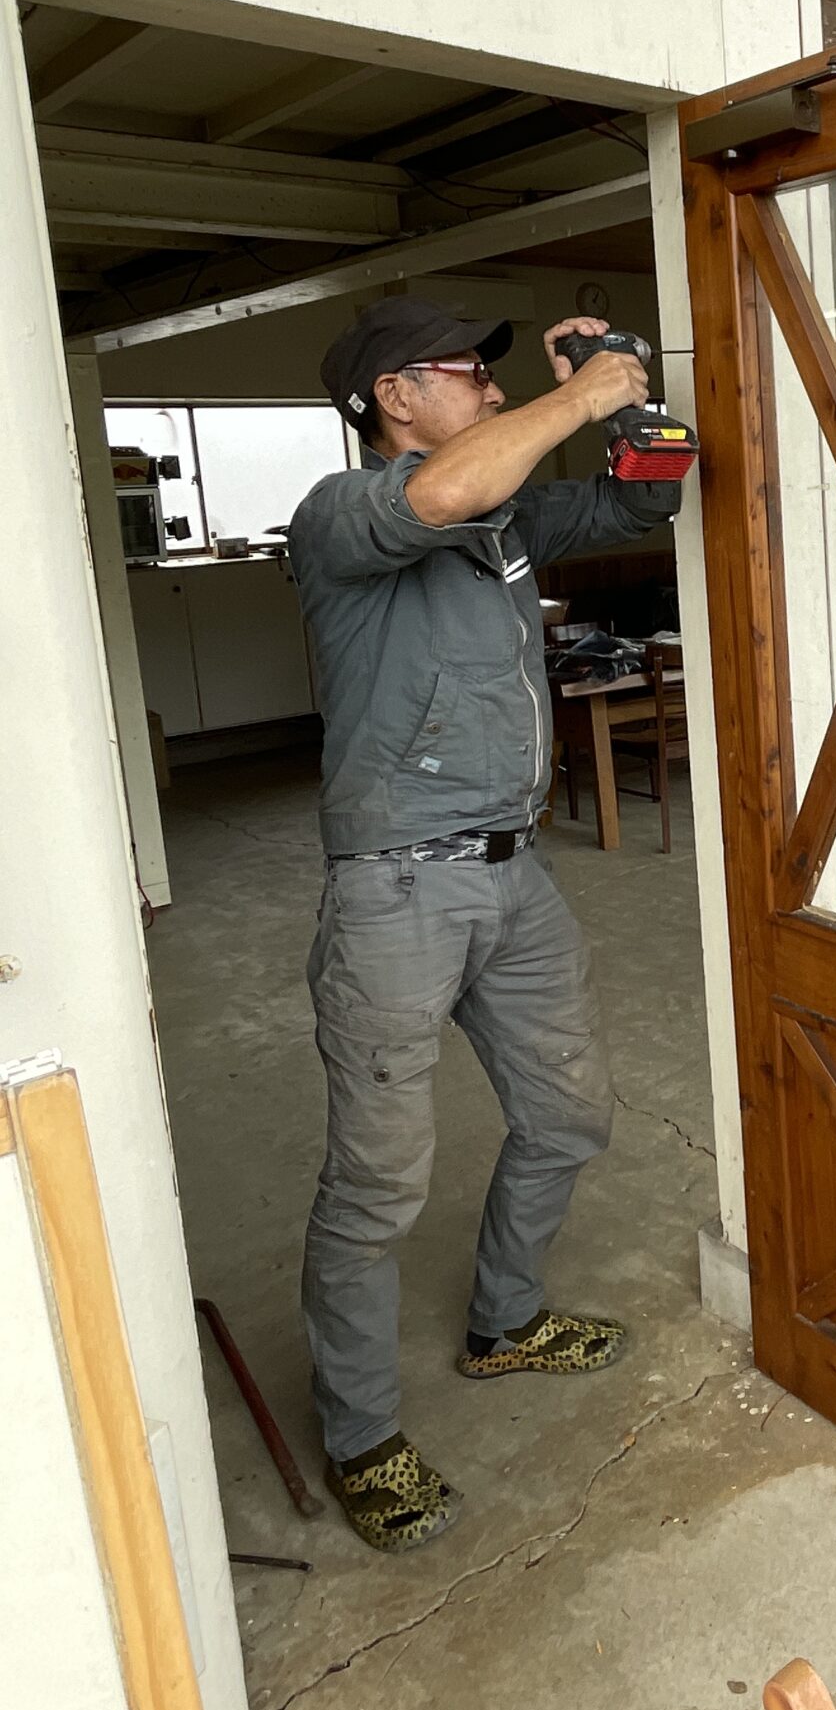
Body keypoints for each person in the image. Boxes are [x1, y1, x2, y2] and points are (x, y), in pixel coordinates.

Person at [289, 297, 681, 1551]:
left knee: (569, 1113)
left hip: (514, 882)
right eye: (473, 373)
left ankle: (504, 1322)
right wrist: (576, 402)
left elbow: (646, 500)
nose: (497, 390)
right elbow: (437, 500)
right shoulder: (338, 515)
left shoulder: (508, 509)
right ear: (395, 396)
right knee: (377, 1187)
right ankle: (359, 1436)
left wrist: (632, 387)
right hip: (395, 893)